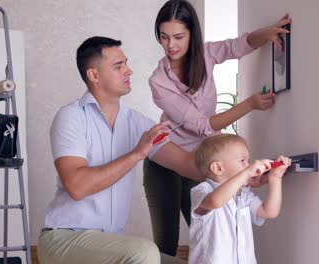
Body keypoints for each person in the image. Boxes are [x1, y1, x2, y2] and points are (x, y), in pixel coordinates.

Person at [143, 0, 291, 256]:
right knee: (166, 243)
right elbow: (202, 126)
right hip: (166, 156)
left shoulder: (206, 54)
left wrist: (267, 32)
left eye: (179, 36)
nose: (171, 45)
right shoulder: (158, 81)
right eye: (164, 37)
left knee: (211, 231)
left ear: (192, 34)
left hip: (201, 155)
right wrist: (250, 104)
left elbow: (238, 45)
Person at [37, 36, 202, 264]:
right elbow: (77, 186)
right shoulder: (71, 117)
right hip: (64, 239)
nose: (129, 71)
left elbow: (188, 164)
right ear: (94, 75)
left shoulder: (137, 123)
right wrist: (137, 154)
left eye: (126, 63)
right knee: (145, 252)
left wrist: (243, 171)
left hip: (110, 244)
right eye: (118, 66)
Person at [189, 134, 291, 264]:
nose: (248, 165)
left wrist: (275, 178)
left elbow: (269, 211)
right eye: (243, 161)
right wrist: (247, 173)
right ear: (218, 168)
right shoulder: (202, 190)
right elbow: (215, 201)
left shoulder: (243, 195)